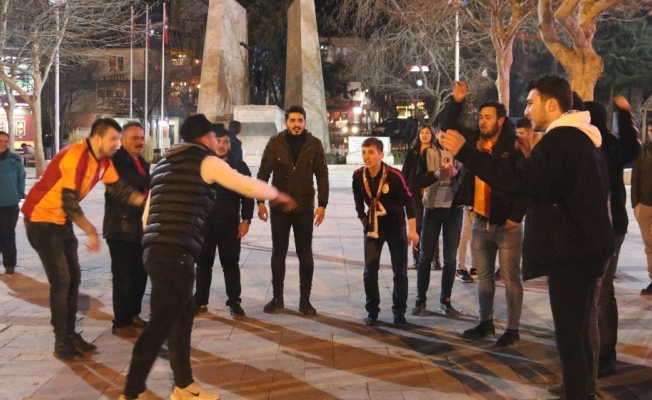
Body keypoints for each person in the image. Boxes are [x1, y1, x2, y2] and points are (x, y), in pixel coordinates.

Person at [441, 74, 614, 400]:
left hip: (573, 254)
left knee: (570, 337)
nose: (527, 109)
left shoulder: (561, 139)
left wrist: (466, 152)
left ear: (552, 104)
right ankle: (580, 388)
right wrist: (531, 157)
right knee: (578, 331)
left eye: (532, 102)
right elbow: (548, 183)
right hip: (587, 248)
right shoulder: (579, 138)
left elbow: (517, 182)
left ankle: (579, 393)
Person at [119, 114, 295, 400]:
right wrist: (277, 195)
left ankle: (184, 386)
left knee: (182, 318)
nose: (217, 141)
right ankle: (131, 392)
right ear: (205, 138)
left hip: (157, 248)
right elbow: (244, 184)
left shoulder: (164, 162)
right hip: (175, 252)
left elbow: (148, 211)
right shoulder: (205, 160)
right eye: (214, 136)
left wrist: (155, 241)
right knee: (161, 324)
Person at [21, 118, 146, 361]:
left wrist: (145, 201)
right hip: (40, 220)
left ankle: (70, 334)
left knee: (73, 280)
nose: (116, 144)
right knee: (62, 282)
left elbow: (118, 188)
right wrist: (90, 231)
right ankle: (61, 341)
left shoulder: (103, 160)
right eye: (113, 139)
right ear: (97, 138)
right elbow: (69, 201)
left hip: (60, 221)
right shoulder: (76, 156)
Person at [441, 81, 526, 348]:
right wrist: (456, 101)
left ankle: (512, 328)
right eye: (480, 117)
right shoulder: (476, 142)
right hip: (480, 221)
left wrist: (516, 215)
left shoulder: (514, 146)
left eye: (488, 117)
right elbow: (449, 128)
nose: (482, 121)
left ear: (501, 120)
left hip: (507, 225)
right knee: (484, 276)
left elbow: (524, 184)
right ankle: (485, 322)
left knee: (511, 277)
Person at [256, 105, 329, 315]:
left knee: (305, 254)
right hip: (279, 208)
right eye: (293, 120)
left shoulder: (314, 144)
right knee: (278, 253)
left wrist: (322, 204)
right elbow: (263, 173)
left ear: (305, 122)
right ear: (285, 122)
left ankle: (305, 301)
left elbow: (322, 175)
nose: (297, 124)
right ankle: (277, 298)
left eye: (300, 120)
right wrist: (260, 201)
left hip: (304, 207)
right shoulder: (275, 143)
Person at [353, 137, 419, 326]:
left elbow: (409, 202)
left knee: (400, 272)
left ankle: (399, 312)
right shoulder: (358, 175)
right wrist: (363, 219)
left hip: (396, 228)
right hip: (373, 229)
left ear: (381, 155)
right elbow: (358, 200)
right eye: (364, 152)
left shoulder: (394, 176)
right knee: (370, 271)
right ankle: (372, 311)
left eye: (371, 152)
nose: (367, 157)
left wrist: (413, 231)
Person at [194, 124, 254, 319]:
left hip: (229, 224)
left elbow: (248, 193)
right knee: (203, 264)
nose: (221, 145)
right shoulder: (202, 164)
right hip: (205, 225)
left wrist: (246, 219)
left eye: (225, 142)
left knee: (231, 264)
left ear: (230, 144)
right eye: (217, 141)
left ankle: (234, 303)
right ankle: (200, 301)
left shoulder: (239, 166)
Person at [411, 126, 468, 317]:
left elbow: (469, 180)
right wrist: (435, 175)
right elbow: (418, 180)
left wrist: (457, 174)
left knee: (450, 258)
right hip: (432, 209)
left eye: (448, 136)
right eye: (442, 136)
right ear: (437, 135)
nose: (445, 139)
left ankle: (446, 300)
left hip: (454, 210)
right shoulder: (428, 153)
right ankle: (420, 299)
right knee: (425, 256)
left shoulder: (462, 154)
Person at [103, 122, 150, 338]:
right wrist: (157, 181)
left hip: (139, 228)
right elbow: (131, 181)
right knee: (124, 277)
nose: (140, 142)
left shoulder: (140, 161)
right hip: (121, 228)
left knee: (139, 275)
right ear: (122, 140)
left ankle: (133, 314)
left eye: (142, 138)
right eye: (135, 138)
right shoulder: (118, 160)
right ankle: (121, 322)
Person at [402, 126, 442, 270]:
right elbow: (404, 174)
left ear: (432, 135)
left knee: (433, 227)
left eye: (427, 133)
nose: (424, 135)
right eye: (422, 133)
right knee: (417, 227)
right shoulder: (412, 153)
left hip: (433, 194)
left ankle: (435, 258)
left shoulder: (437, 152)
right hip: (415, 196)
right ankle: (416, 257)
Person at [0, 131, 26, 275]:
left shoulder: (14, 160)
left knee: (8, 234)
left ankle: (10, 264)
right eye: (0, 141)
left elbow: (21, 177)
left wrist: (19, 193)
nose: (3, 144)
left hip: (10, 204)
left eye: (5, 141)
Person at [632, 123, 652, 297]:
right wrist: (635, 204)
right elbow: (635, 177)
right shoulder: (643, 152)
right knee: (648, 244)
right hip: (644, 204)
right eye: (651, 130)